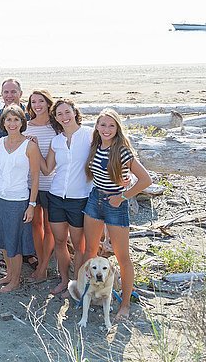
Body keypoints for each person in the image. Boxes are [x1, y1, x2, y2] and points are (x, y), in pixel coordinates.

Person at [83, 108, 151, 321]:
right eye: (103, 125)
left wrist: (123, 196)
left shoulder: (122, 150)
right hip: (95, 200)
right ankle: (91, 295)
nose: (106, 129)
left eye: (111, 125)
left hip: (116, 203)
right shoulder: (95, 146)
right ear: (96, 126)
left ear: (117, 128)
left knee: (122, 258)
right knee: (90, 252)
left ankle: (125, 304)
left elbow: (145, 180)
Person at [41, 99, 93, 296]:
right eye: (59, 114)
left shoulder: (89, 135)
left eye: (67, 112)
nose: (64, 117)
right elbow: (47, 170)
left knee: (79, 245)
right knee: (60, 242)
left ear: (74, 112)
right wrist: (33, 148)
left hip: (80, 198)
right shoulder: (57, 141)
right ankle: (64, 280)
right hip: (56, 196)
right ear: (55, 118)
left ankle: (77, 284)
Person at [0, 78, 36, 268]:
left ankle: (29, 253)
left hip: (25, 181)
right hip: (3, 183)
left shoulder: (31, 117)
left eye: (13, 91)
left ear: (21, 94)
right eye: (6, 92)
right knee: (7, 225)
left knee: (27, 224)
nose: (9, 95)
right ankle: (10, 259)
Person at [0, 106, 40, 292]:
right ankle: (8, 275)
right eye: (8, 120)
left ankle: (15, 280)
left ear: (22, 122)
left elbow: (35, 177)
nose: (12, 123)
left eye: (16, 120)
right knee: (3, 239)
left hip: (18, 200)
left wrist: (32, 205)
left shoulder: (30, 146)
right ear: (3, 122)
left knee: (14, 242)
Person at [23, 89, 58, 282]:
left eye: (41, 101)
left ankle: (43, 267)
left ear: (48, 103)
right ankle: (40, 261)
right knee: (35, 225)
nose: (37, 105)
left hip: (52, 184)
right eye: (33, 102)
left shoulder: (56, 127)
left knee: (49, 226)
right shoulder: (25, 127)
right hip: (30, 183)